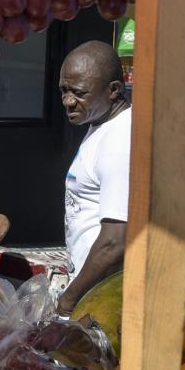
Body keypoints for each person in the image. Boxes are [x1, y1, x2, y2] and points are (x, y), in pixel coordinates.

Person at [56, 41, 132, 310]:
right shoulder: (101, 124)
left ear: (113, 91)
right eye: (64, 91)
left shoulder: (119, 144)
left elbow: (115, 242)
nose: (67, 101)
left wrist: (68, 301)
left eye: (78, 93)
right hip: (91, 289)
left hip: (103, 296)